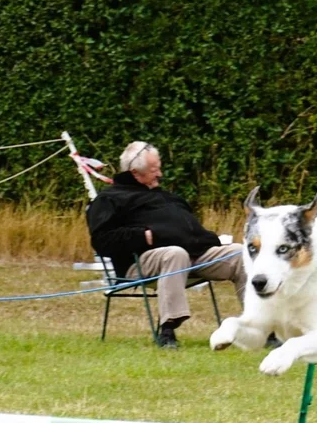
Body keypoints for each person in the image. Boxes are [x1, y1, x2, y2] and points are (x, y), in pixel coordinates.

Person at [86, 141, 247, 348]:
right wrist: (143, 237)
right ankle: (167, 330)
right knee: (175, 253)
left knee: (240, 253)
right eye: (154, 170)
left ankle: (261, 325)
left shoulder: (165, 196)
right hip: (142, 263)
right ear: (136, 173)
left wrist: (209, 239)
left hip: (195, 256)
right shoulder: (110, 199)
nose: (160, 174)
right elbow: (101, 241)